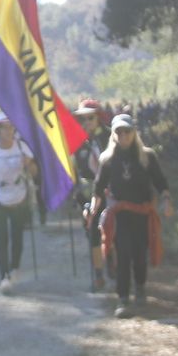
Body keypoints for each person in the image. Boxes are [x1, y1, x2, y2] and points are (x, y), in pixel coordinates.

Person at [93, 113, 174, 318]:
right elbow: (98, 187)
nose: (123, 136)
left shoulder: (147, 157)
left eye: (127, 131)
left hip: (142, 213)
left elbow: (160, 182)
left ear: (134, 132)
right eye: (119, 132)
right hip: (119, 215)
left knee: (139, 254)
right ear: (113, 134)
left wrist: (166, 200)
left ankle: (140, 288)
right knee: (123, 253)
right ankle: (122, 298)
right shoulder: (108, 160)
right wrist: (93, 208)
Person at [0, 113, 36, 293]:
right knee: (1, 237)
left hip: (18, 197)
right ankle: (4, 276)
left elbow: (34, 172)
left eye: (11, 126)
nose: (9, 130)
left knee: (17, 236)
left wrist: (28, 165)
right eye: (4, 127)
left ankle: (14, 268)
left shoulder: (22, 147)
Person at [72, 101, 110, 292]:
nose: (86, 121)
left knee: (112, 232)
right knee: (93, 233)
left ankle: (114, 264)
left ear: (98, 117)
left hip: (111, 194)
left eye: (90, 117)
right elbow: (74, 169)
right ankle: (98, 275)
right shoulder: (77, 141)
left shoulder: (111, 137)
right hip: (88, 195)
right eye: (82, 118)